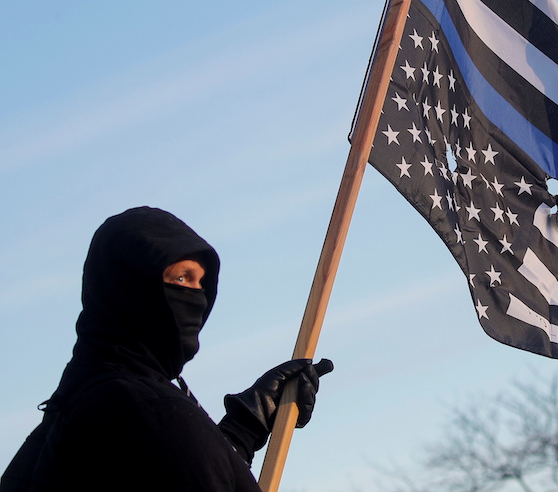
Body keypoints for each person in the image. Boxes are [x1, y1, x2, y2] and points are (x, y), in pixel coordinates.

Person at [1, 206, 332, 491]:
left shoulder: (80, 405)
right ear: (129, 284)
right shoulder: (141, 408)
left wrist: (246, 425)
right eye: (183, 279)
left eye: (203, 283)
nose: (198, 297)